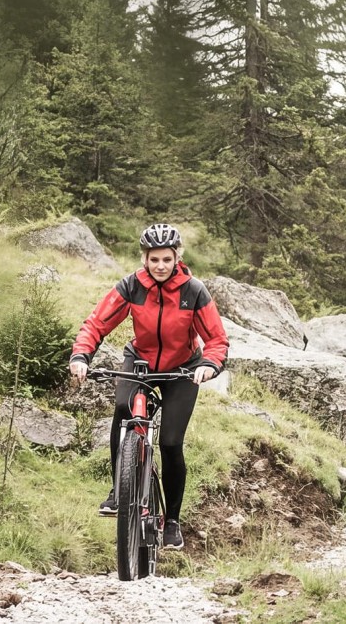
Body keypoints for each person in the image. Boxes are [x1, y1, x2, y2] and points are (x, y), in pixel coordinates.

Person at [69, 223, 229, 551]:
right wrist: (81, 355)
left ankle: (172, 521)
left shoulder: (193, 291)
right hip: (140, 361)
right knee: (123, 408)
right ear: (144, 258)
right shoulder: (131, 286)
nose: (160, 266)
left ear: (177, 258)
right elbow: (97, 323)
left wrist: (209, 365)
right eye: (154, 259)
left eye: (166, 259)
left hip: (182, 370)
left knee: (170, 443)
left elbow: (217, 339)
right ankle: (119, 490)